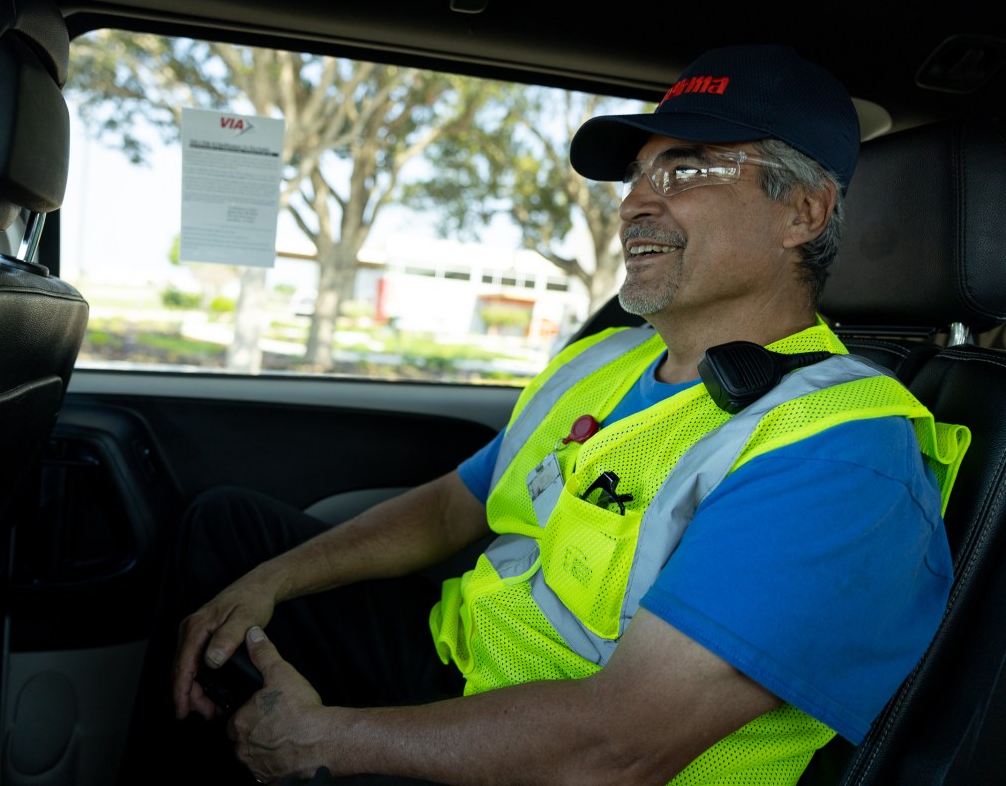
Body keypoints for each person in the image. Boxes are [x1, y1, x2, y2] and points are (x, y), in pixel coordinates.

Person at [123, 44, 969, 785]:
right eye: (639, 175)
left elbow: (619, 751)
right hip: (461, 664)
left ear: (803, 213)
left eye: (685, 170)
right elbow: (458, 504)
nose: (637, 201)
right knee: (228, 538)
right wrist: (277, 582)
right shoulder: (607, 360)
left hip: (564, 756)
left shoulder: (839, 454)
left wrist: (329, 740)